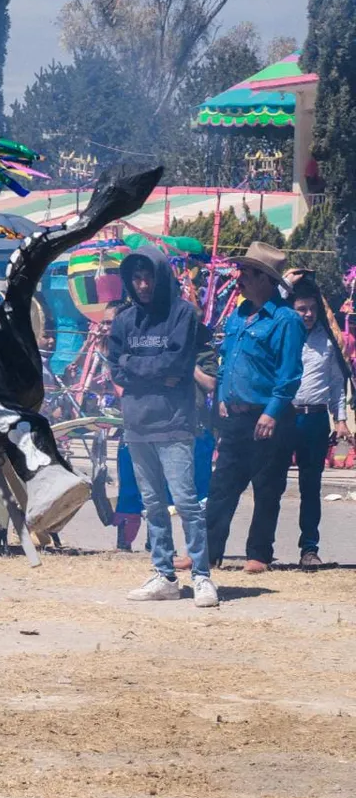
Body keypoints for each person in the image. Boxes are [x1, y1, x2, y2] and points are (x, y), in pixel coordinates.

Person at [107, 247, 217, 607]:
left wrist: (138, 367)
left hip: (174, 422)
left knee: (186, 502)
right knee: (152, 504)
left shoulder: (183, 313)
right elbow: (116, 366)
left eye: (148, 276)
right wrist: (152, 372)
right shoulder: (124, 320)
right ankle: (164, 575)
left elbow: (179, 363)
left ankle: (201, 576)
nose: (142, 284)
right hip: (137, 422)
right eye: (136, 278)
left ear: (160, 276)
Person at [205, 242, 306, 573]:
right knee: (222, 487)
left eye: (247, 272)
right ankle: (208, 552)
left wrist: (272, 411)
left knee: (266, 487)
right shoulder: (239, 313)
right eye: (240, 271)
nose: (240, 278)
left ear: (265, 278)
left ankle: (259, 554)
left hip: (268, 418)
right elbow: (226, 362)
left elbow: (289, 373)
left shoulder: (286, 320)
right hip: (235, 415)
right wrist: (221, 396)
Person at [285, 279, 349, 569]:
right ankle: (260, 551)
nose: (308, 314)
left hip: (315, 421)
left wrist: (341, 420)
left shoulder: (328, 341)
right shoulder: (283, 336)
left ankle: (309, 549)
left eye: (312, 309)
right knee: (270, 485)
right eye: (301, 309)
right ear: (292, 309)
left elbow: (337, 384)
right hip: (284, 418)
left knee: (311, 488)